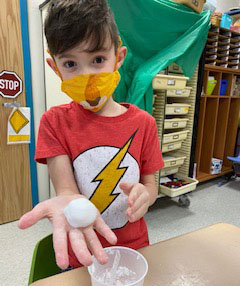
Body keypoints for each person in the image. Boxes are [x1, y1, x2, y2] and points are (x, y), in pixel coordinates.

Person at [18, 0, 164, 269]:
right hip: (82, 249)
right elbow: (66, 192)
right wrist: (66, 201)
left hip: (134, 246)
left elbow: (151, 185)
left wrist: (146, 195)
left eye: (98, 60)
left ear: (118, 59)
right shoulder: (54, 122)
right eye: (71, 63)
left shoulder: (144, 124)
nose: (87, 76)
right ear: (55, 68)